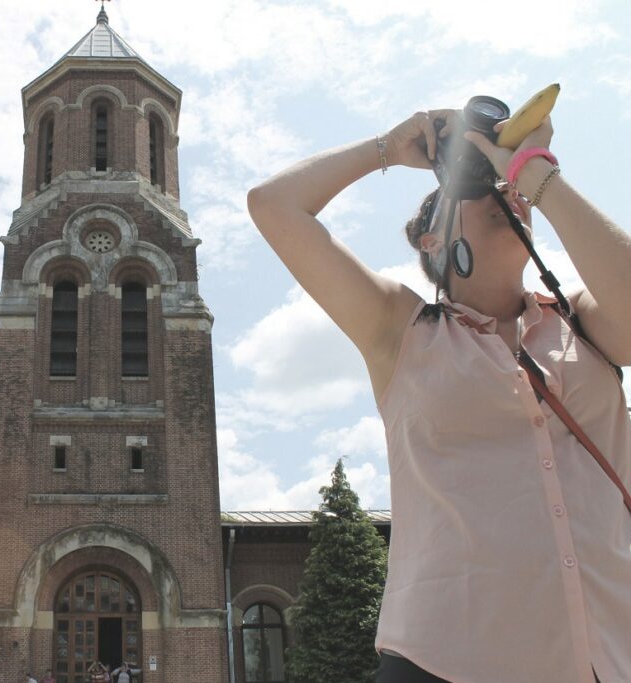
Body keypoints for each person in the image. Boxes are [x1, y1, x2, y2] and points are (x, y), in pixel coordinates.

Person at [247, 108, 630, 683]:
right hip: (444, 660)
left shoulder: (583, 320)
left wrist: (533, 171)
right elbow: (274, 205)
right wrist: (387, 147)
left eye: (507, 187)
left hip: (609, 655)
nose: (503, 192)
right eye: (478, 188)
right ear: (433, 241)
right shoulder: (402, 330)